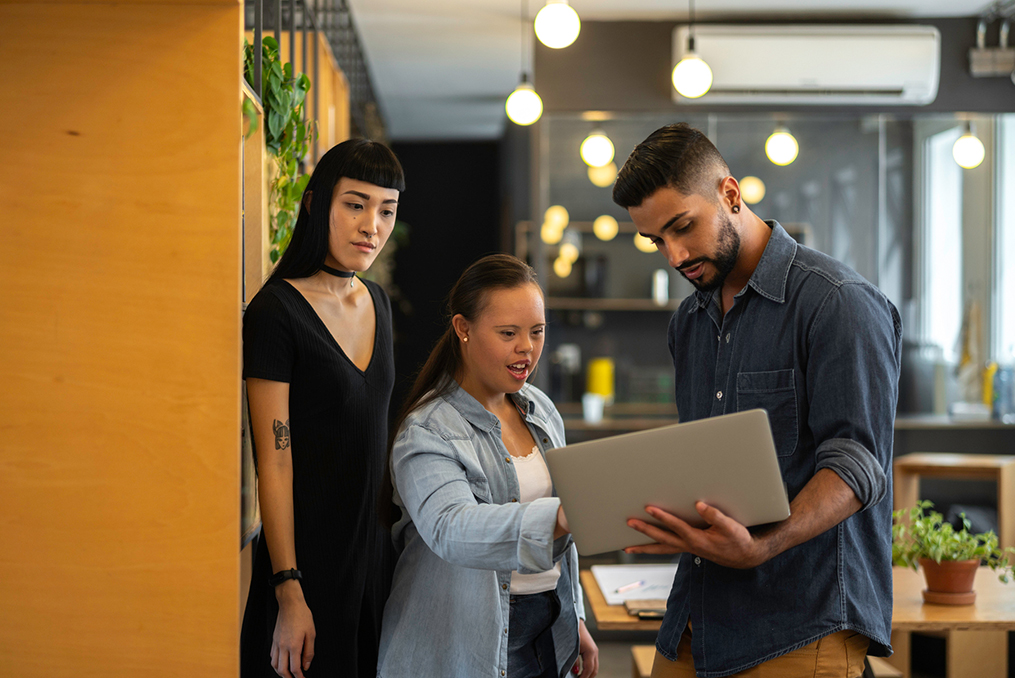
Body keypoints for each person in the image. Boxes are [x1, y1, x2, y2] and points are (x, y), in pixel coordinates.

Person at [612, 123, 901, 678]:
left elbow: (859, 464)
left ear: (730, 194)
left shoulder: (838, 303)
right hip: (696, 620)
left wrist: (763, 546)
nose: (674, 255)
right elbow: (705, 464)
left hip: (801, 622)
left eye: (681, 227)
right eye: (656, 241)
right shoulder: (688, 323)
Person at [376, 253, 598, 678]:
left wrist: (575, 617)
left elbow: (561, 545)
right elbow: (451, 528)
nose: (526, 348)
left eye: (537, 332)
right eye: (508, 333)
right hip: (464, 640)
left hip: (548, 627)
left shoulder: (541, 409)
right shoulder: (428, 430)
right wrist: (558, 517)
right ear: (463, 329)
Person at [240, 138, 405, 678]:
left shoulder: (377, 302)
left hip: (374, 561)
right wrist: (289, 589)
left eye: (387, 210)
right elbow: (276, 458)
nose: (372, 226)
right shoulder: (275, 312)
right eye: (355, 204)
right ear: (316, 204)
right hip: (307, 566)